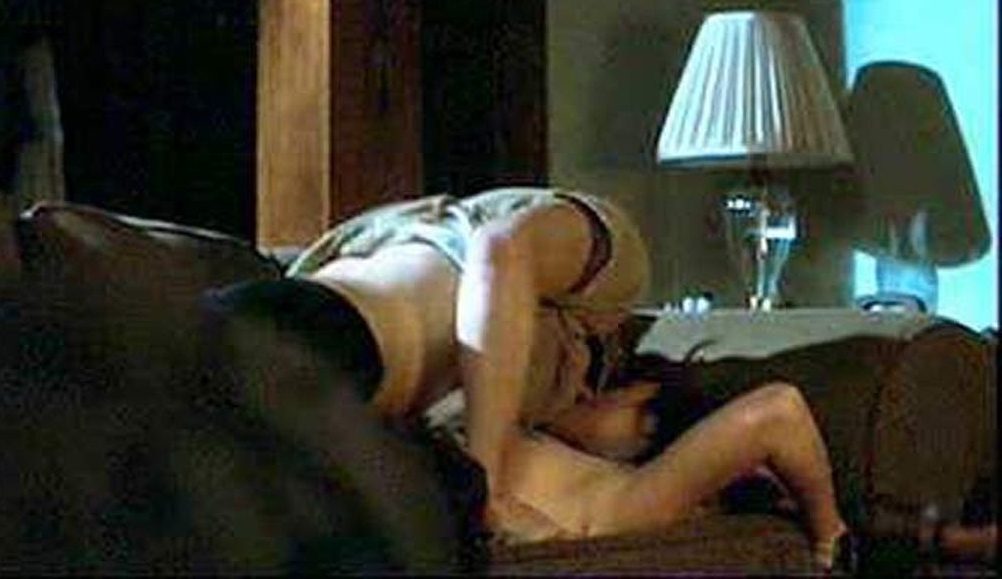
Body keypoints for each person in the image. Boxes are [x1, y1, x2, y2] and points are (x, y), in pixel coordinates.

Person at [209, 188, 853, 567]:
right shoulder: (607, 264)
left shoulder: (622, 493)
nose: (578, 394)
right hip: (319, 339)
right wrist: (831, 535)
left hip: (306, 369)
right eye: (594, 377)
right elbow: (777, 411)